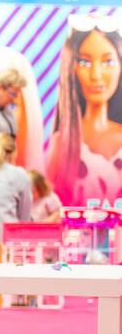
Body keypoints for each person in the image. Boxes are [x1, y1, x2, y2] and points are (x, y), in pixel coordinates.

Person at [47, 15, 122, 204]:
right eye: (84, 62)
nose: (96, 75)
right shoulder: (62, 142)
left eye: (108, 62)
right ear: (71, 68)